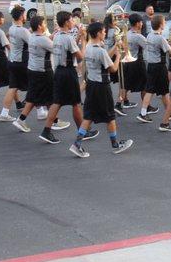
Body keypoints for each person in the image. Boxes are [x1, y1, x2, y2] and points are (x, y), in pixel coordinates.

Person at [69, 22, 133, 158]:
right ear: (98, 33)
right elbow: (113, 68)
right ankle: (115, 145)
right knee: (110, 116)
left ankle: (77, 144)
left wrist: (115, 47)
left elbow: (103, 59)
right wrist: (119, 57)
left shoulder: (90, 47)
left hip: (92, 84)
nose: (105, 33)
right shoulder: (100, 50)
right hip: (102, 87)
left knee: (89, 116)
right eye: (103, 32)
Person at [38, 11, 98, 144]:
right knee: (76, 102)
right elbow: (81, 56)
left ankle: (46, 131)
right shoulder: (68, 37)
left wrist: (77, 38)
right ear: (66, 22)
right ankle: (82, 131)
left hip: (59, 71)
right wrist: (83, 39)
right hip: (68, 72)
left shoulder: (57, 35)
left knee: (57, 102)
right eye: (71, 20)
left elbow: (70, 47)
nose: (73, 22)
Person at [12, 16, 70, 133]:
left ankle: (51, 121)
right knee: (49, 97)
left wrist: (53, 35)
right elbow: (57, 50)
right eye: (44, 23)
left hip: (33, 69)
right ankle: (52, 122)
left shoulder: (32, 36)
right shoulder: (43, 40)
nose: (45, 25)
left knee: (35, 97)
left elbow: (45, 42)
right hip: (43, 71)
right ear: (39, 26)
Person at [137, 15, 171, 123]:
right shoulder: (160, 38)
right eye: (164, 21)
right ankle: (167, 112)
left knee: (152, 90)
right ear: (161, 25)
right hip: (159, 66)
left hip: (151, 65)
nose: (165, 23)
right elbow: (170, 52)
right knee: (164, 90)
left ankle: (145, 112)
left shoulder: (149, 35)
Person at [119, 13, 150, 112]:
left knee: (126, 85)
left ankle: (119, 103)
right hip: (136, 62)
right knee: (145, 85)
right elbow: (148, 46)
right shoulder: (138, 36)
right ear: (137, 24)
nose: (142, 24)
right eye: (141, 22)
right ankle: (147, 107)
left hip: (128, 61)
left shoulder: (127, 33)